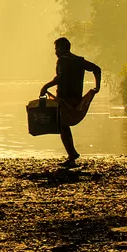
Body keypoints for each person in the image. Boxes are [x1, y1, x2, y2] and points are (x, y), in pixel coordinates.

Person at [40, 37, 102, 168]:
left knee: (62, 126)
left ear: (63, 48)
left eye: (56, 48)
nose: (55, 52)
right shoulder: (79, 60)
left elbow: (60, 78)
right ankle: (72, 154)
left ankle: (72, 155)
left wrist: (45, 87)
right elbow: (97, 69)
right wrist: (97, 87)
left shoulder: (62, 60)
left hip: (65, 99)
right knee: (63, 126)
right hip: (76, 98)